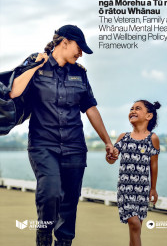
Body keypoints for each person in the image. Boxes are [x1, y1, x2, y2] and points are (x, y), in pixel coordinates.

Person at [9, 25, 116, 246]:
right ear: (64, 42)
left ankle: (64, 242)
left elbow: (91, 108)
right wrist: (35, 63)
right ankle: (44, 236)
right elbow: (14, 91)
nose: (81, 53)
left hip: (75, 146)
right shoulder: (37, 64)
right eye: (79, 47)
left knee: (69, 203)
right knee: (50, 193)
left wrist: (107, 141)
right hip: (43, 145)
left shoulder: (79, 73)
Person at [106, 100, 161, 246]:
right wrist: (110, 156)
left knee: (136, 229)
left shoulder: (153, 138)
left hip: (142, 189)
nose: (132, 111)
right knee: (134, 223)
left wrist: (153, 188)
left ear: (148, 116)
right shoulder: (123, 137)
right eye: (131, 109)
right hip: (125, 188)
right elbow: (112, 159)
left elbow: (154, 165)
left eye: (138, 108)